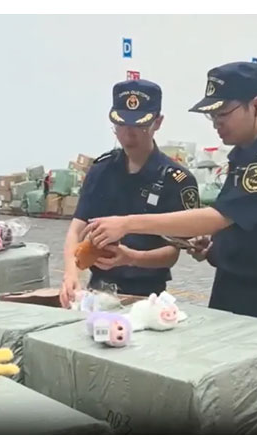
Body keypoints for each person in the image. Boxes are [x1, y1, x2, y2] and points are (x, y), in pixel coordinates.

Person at [82, 62, 257, 324]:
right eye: (212, 116)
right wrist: (215, 247)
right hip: (228, 288)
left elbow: (217, 217)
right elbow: (242, 222)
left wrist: (127, 224)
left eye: (222, 114)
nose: (216, 124)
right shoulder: (244, 156)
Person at [58, 79, 199, 307]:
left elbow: (172, 252)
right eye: (121, 124)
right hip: (98, 289)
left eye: (139, 124)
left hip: (147, 296)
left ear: (158, 122)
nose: (128, 132)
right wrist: (71, 273)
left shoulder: (175, 179)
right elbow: (77, 228)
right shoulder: (101, 170)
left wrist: (131, 258)